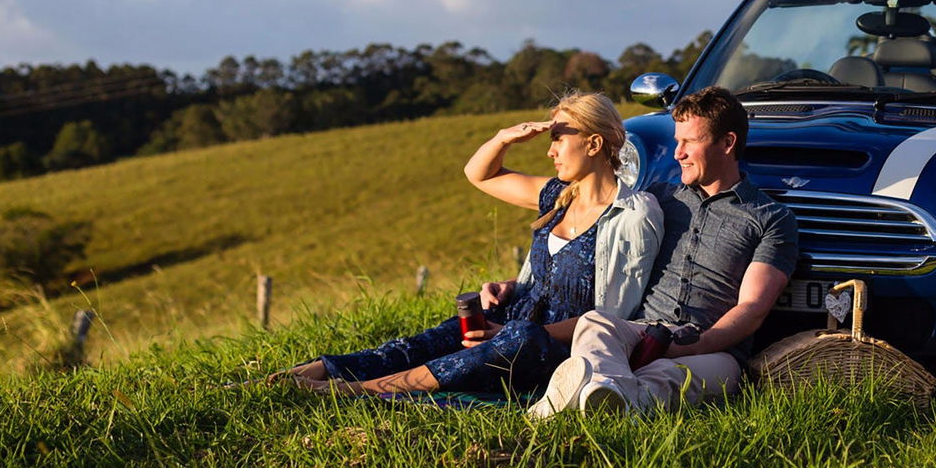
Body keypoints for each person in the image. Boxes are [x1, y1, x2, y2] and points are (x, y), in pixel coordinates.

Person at [272, 92, 662, 398]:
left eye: (559, 138)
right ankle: (314, 371)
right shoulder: (558, 195)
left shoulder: (633, 213)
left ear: (594, 144)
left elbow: (610, 318)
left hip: (555, 346)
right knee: (441, 336)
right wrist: (505, 136)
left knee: (517, 338)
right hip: (514, 320)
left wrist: (506, 333)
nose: (550, 149)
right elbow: (479, 174)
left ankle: (353, 392)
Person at [530, 85, 798, 417]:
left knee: (664, 376)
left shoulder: (770, 219)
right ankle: (603, 395)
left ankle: (576, 402)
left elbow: (752, 308)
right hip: (644, 329)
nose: (677, 153)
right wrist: (517, 284)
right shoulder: (660, 198)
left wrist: (695, 344)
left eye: (690, 142)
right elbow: (594, 205)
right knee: (595, 323)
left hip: (714, 351)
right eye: (677, 141)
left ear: (727, 143)